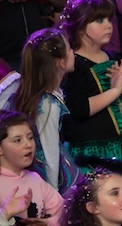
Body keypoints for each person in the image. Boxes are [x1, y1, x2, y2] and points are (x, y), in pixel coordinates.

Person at [60, 0, 122, 194]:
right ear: (80, 26)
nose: (108, 25)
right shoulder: (74, 65)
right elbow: (80, 109)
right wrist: (115, 90)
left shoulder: (111, 56)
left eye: (109, 19)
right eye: (99, 20)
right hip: (94, 151)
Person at [13, 29, 77, 194]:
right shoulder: (48, 104)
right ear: (60, 62)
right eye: (70, 48)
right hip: (46, 176)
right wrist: (53, 195)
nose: (73, 52)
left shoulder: (48, 96)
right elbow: (50, 152)